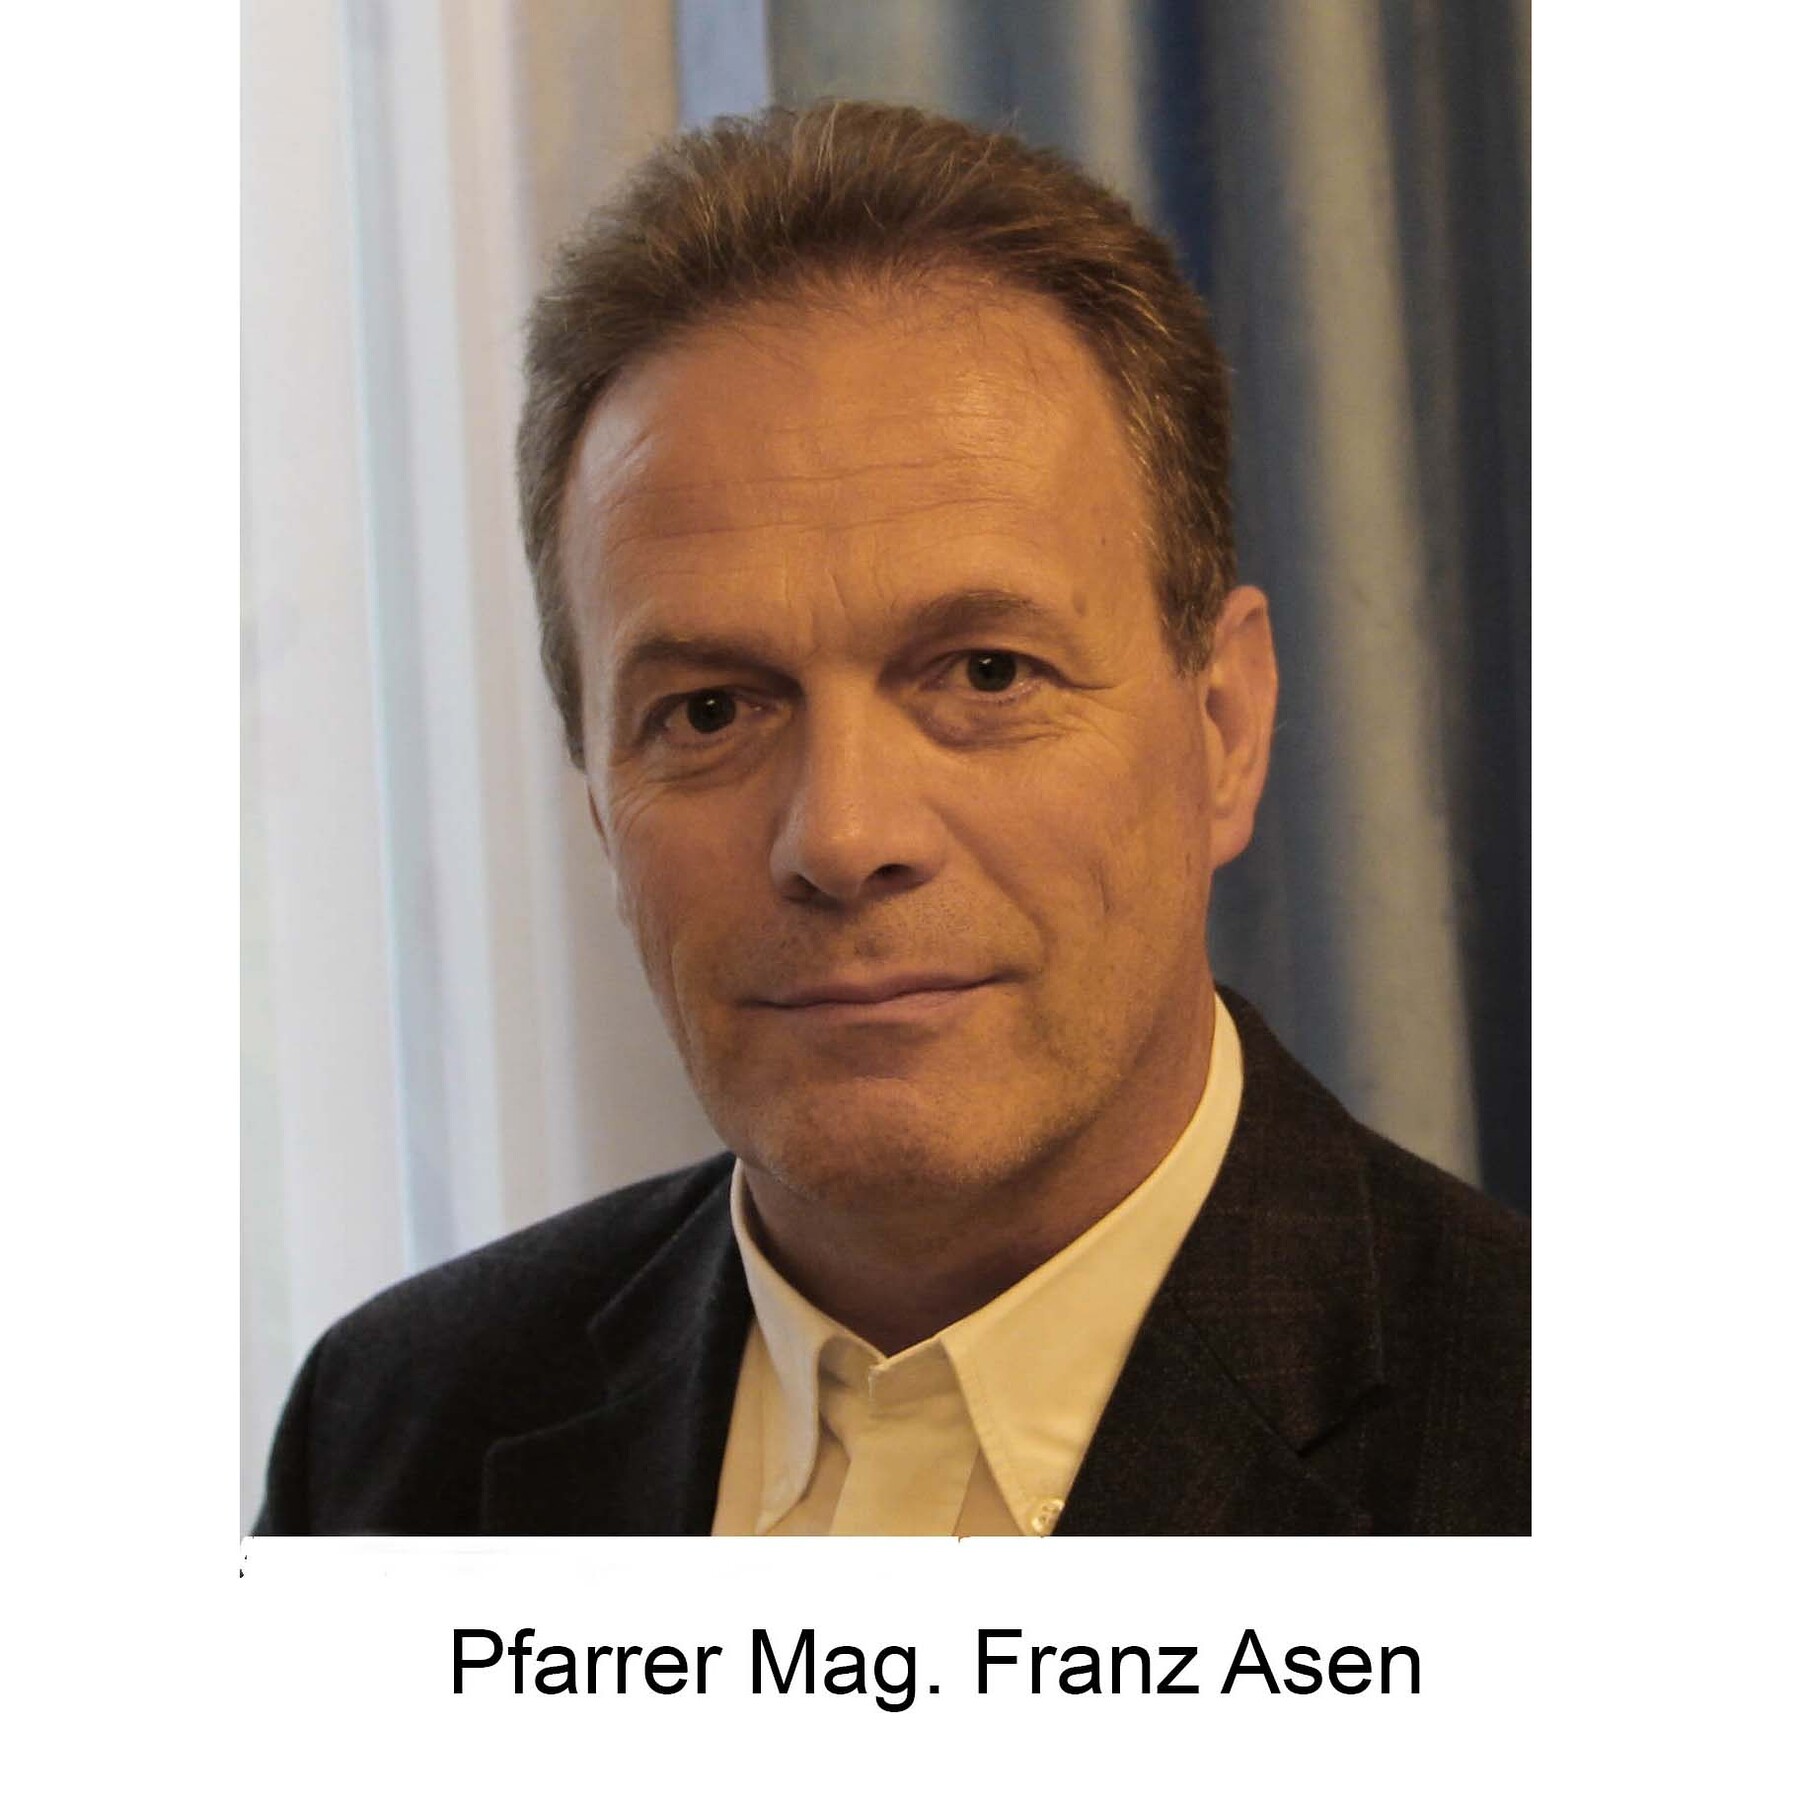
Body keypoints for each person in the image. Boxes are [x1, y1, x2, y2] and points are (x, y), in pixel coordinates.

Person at [257, 100, 1527, 1537]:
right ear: (600, 807)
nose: (842, 839)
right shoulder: (391, 1436)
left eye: (987, 674)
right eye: (711, 712)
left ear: (1224, 728)